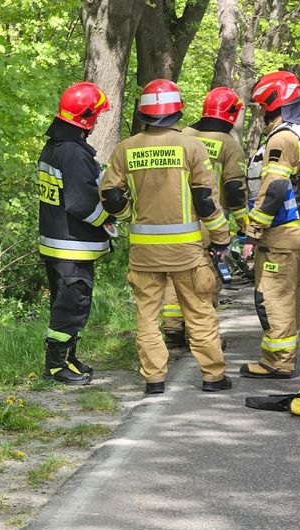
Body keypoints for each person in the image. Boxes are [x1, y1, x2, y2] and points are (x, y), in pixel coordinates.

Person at [100, 79, 232, 395]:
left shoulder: (125, 148)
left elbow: (110, 197)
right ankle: (213, 376)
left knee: (147, 317)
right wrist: (220, 236)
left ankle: (154, 379)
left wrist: (129, 215)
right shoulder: (191, 146)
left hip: (144, 253)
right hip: (185, 251)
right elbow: (205, 200)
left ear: (144, 112)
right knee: (199, 312)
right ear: (176, 112)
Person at [239, 71, 300, 378]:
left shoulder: (284, 136)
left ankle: (276, 362)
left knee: (272, 296)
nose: (262, 112)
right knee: (288, 295)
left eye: (263, 106)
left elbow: (275, 187)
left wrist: (252, 230)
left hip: (282, 233)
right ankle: (283, 357)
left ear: (274, 102)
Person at [160, 87, 250, 348]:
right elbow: (234, 189)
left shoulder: (183, 134)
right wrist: (245, 223)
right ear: (232, 115)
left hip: (173, 219)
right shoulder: (229, 145)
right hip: (207, 222)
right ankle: (201, 334)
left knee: (172, 275)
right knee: (203, 277)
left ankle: (174, 330)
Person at [37, 81, 113, 385]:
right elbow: (82, 204)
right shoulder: (73, 153)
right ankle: (55, 366)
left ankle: (68, 357)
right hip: (73, 246)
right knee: (72, 306)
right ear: (87, 118)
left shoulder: (55, 147)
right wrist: (111, 216)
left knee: (66, 303)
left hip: (57, 243)